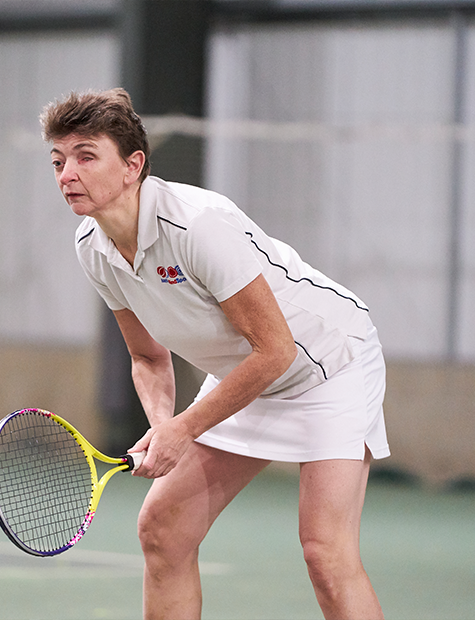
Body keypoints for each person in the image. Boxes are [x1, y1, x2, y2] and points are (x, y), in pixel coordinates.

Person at [40, 88, 389, 620]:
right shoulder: (93, 247)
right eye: (59, 161)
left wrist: (185, 429)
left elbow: (277, 350)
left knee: (325, 553)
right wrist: (163, 425)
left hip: (328, 363)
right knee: (163, 529)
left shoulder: (197, 225)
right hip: (244, 372)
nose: (67, 175)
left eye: (86, 157)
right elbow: (148, 358)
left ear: (133, 165)